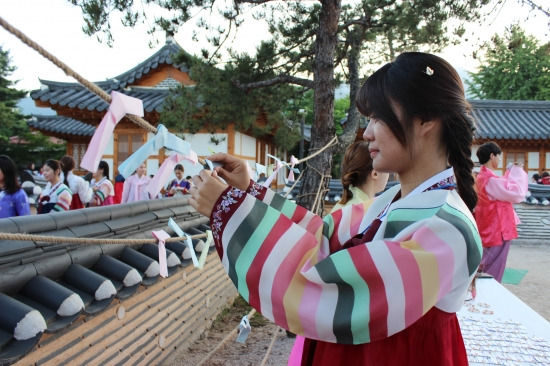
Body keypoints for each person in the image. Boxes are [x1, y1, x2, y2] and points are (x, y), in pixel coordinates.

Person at [189, 52, 482, 365]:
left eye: (378, 118)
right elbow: (321, 237)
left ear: (425, 119)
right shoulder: (392, 202)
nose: (367, 132)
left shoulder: (448, 228)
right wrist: (248, 193)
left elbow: (330, 288)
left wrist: (230, 209)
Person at [288, 141, 390, 365]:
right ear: (374, 172)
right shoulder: (368, 214)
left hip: (327, 305)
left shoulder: (341, 209)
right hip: (351, 309)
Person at [474, 141, 528, 283]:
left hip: (488, 227)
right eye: (498, 156)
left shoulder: (483, 177)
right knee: (492, 267)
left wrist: (509, 172)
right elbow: (516, 194)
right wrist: (516, 172)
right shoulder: (490, 179)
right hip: (497, 230)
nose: (499, 159)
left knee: (485, 263)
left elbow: (502, 186)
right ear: (492, 156)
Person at [332, 141, 390, 211]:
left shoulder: (341, 205)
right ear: (375, 173)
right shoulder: (362, 210)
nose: (388, 173)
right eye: (387, 167)